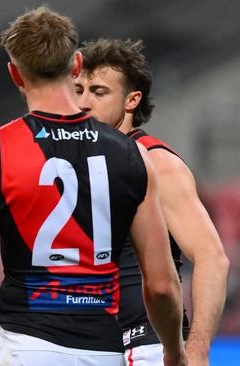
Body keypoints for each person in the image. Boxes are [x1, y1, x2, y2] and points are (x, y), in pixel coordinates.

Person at [0, 7, 188, 366]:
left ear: (15, 74)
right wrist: (175, 353)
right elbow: (160, 285)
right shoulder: (133, 155)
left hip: (26, 344)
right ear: (77, 64)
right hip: (103, 348)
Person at [75, 38, 229, 365]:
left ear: (132, 100)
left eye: (98, 92)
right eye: (78, 91)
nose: (84, 102)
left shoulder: (158, 163)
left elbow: (212, 258)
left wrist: (198, 351)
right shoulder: (73, 164)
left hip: (146, 346)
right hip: (83, 345)